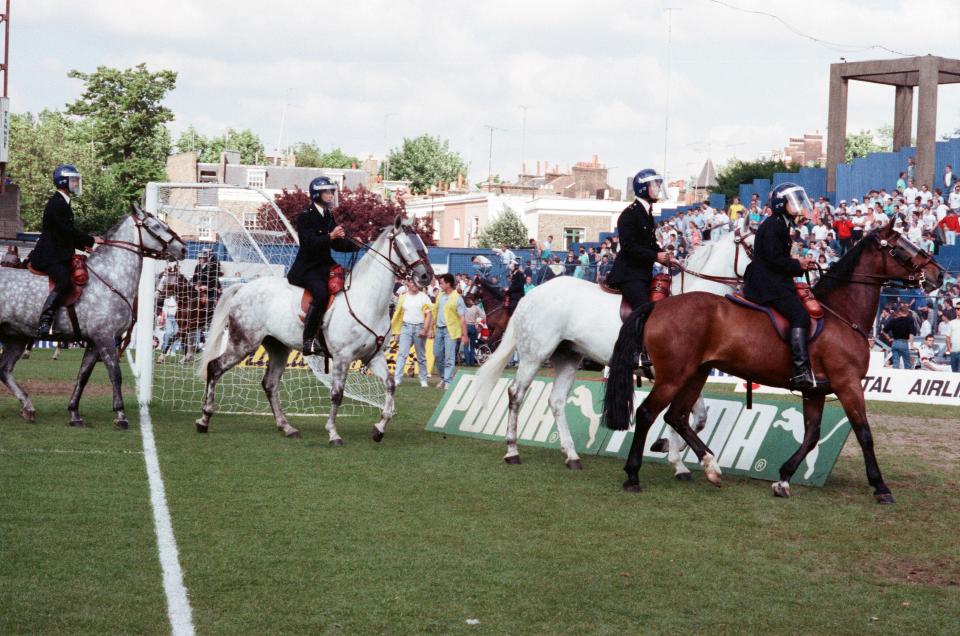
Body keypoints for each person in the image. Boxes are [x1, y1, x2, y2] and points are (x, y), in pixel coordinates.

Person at [742, 182, 818, 390]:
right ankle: (801, 371)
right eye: (794, 202)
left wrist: (798, 264)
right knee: (799, 316)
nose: (799, 206)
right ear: (781, 204)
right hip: (769, 285)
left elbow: (776, 258)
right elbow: (775, 260)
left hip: (770, 280)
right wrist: (798, 264)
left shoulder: (779, 223)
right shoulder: (775, 225)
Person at [606, 168, 675, 375]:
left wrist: (665, 255)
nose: (658, 189)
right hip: (628, 274)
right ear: (644, 188)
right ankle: (636, 353)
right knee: (644, 308)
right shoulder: (629, 214)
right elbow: (629, 247)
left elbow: (650, 244)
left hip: (643, 273)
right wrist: (656, 256)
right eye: (655, 185)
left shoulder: (647, 213)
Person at [286, 176, 359, 356]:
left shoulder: (328, 215)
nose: (331, 194)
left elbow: (335, 244)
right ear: (317, 194)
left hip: (325, 266)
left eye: (332, 191)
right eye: (327, 191)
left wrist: (353, 244)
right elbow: (309, 243)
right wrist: (331, 236)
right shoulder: (305, 216)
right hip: (308, 269)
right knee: (321, 294)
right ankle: (308, 341)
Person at [29, 164, 103, 338]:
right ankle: (45, 321)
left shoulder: (63, 201)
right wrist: (91, 240)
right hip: (49, 255)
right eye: (74, 180)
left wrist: (82, 245)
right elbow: (66, 231)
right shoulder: (57, 204)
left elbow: (63, 233)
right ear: (64, 181)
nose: (77, 184)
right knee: (63, 280)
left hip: (57, 251)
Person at [390, 278, 432, 387]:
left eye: (416, 283)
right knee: (402, 354)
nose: (413, 285)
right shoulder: (403, 297)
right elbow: (399, 315)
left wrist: (425, 329)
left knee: (421, 355)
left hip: (419, 328)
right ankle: (397, 379)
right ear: (408, 283)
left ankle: (423, 380)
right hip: (406, 327)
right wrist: (398, 332)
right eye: (412, 282)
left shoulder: (424, 297)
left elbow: (429, 315)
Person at [430, 273, 468, 389]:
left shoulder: (458, 298)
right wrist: (431, 328)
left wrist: (464, 335)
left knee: (449, 357)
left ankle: (448, 381)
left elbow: (462, 318)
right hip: (439, 330)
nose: (440, 285)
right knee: (437, 354)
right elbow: (434, 312)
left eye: (441, 283)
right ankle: (443, 377)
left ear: (448, 284)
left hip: (450, 331)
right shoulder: (440, 296)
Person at [882, 304, 918, 369]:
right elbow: (911, 333)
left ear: (900, 312)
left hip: (895, 343)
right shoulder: (910, 320)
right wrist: (911, 345)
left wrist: (889, 338)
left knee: (896, 364)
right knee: (907, 364)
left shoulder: (893, 320)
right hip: (904, 343)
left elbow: (884, 331)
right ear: (907, 312)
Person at [463, 295, 485, 366]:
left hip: (465, 326)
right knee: (472, 346)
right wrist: (479, 325)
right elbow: (484, 316)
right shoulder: (476, 308)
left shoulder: (463, 308)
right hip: (473, 326)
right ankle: (472, 362)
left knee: (466, 346)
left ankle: (467, 363)